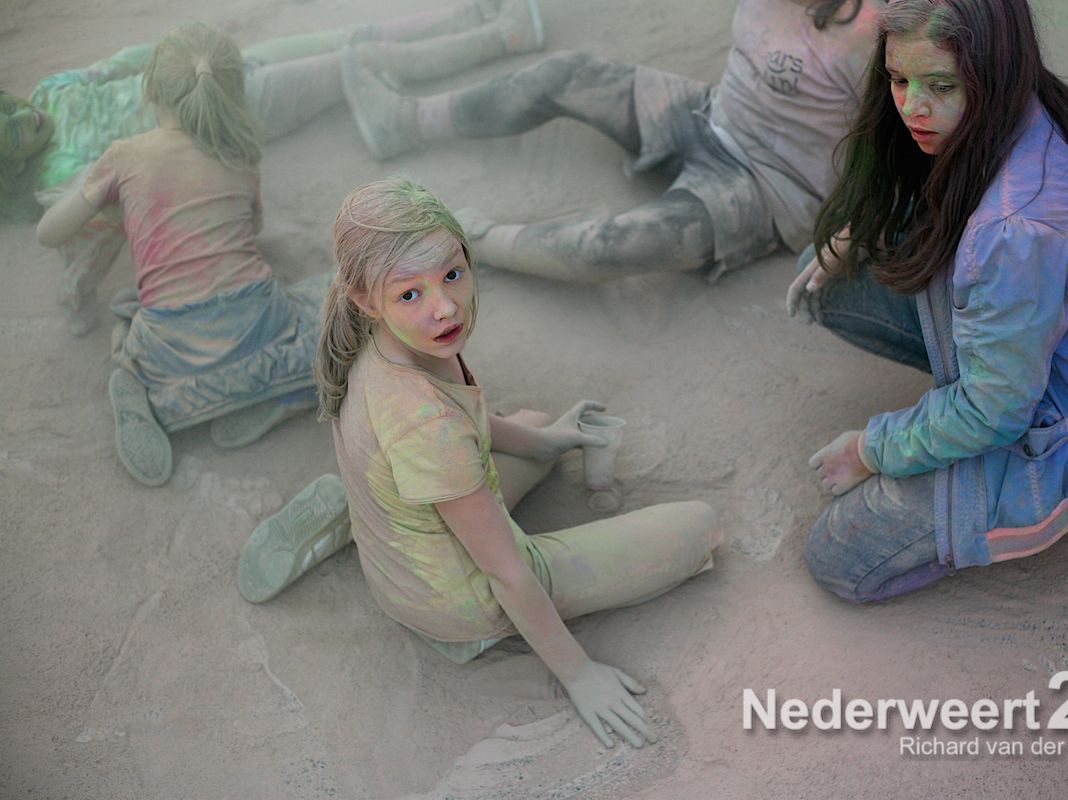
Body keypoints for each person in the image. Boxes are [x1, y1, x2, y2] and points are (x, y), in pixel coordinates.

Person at [236, 176, 722, 749]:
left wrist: (541, 444)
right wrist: (579, 674)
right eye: (410, 294)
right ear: (366, 299)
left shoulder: (384, 337)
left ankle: (361, 508)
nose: (445, 307)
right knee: (699, 527)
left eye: (452, 274)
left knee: (533, 424)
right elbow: (507, 573)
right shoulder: (426, 424)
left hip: (405, 546)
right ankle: (464, 630)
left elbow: (467, 423)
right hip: (457, 597)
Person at [784, 0, 1068, 602]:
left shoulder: (1017, 231)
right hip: (1040, 364)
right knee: (826, 279)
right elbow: (928, 194)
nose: (911, 107)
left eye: (940, 86)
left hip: (1065, 426)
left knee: (839, 556)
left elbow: (994, 412)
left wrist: (872, 449)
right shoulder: (1019, 103)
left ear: (991, 72)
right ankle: (966, 415)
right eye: (898, 79)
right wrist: (854, 232)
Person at [1, 0, 544, 334]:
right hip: (227, 104)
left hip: (208, 73)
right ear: (11, 164)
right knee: (354, 60)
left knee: (344, 39)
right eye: (15, 132)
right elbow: (108, 210)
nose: (26, 116)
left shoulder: (49, 92)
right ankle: (501, 35)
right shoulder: (59, 173)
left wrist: (173, 61)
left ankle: (469, 13)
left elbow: (120, 62)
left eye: (9, 106)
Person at [337, 0, 885, 283]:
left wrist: (852, 233)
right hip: (709, 112)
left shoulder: (870, 33)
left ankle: (469, 240)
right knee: (565, 75)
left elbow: (905, 152)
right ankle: (404, 122)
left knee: (606, 246)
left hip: (771, 189)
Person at [33, 23, 323, 486]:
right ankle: (279, 395)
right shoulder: (240, 154)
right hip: (257, 323)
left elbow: (49, 233)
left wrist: (95, 196)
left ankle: (134, 384)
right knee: (327, 311)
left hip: (168, 345)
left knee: (129, 318)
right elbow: (253, 229)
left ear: (151, 90)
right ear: (230, 94)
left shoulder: (124, 155)